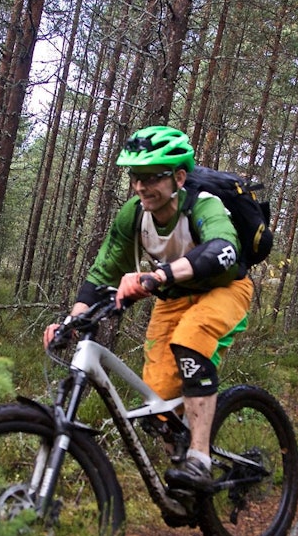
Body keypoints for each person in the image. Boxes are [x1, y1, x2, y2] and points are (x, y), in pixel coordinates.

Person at [43, 125, 252, 492]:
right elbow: (101, 273)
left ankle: (200, 459)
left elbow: (224, 250)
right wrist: (72, 319)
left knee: (191, 340)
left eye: (152, 177)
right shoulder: (133, 216)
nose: (141, 187)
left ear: (179, 177)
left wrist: (157, 275)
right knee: (158, 404)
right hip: (172, 300)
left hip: (224, 289)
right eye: (135, 177)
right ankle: (183, 478)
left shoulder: (203, 204)